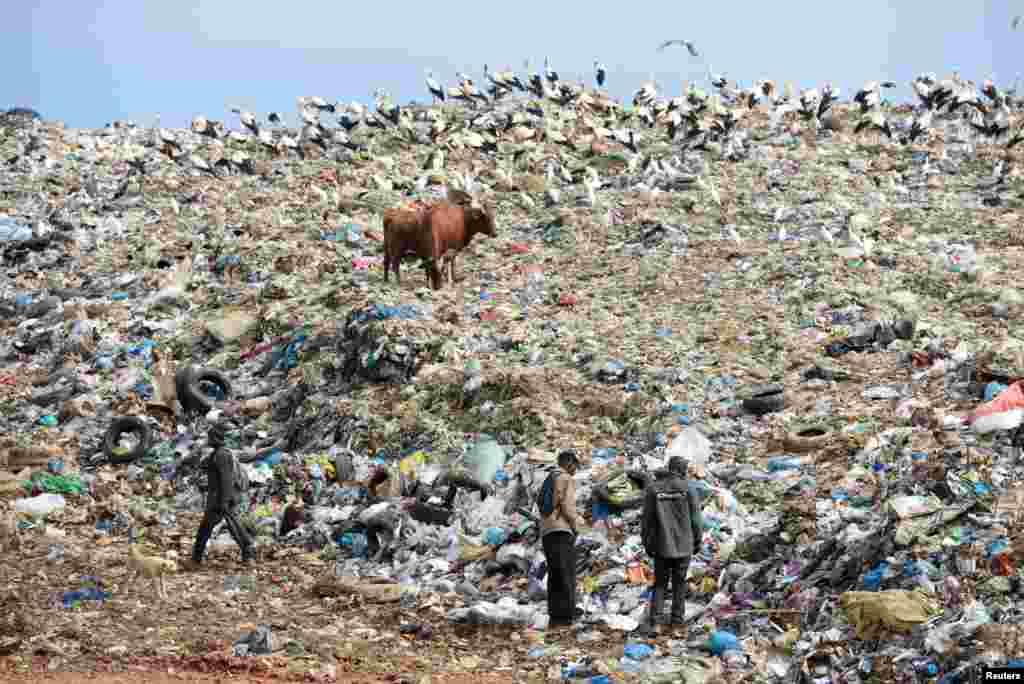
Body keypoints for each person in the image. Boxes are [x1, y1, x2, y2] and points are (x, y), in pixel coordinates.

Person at [638, 456, 703, 636]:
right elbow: (696, 520)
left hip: (661, 545)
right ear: (681, 470)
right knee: (679, 585)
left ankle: (656, 624)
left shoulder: (653, 489)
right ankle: (676, 625)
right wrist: (697, 541)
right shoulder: (688, 488)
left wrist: (647, 543)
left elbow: (647, 521)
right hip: (684, 544)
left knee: (660, 584)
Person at [187, 420, 255, 566]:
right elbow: (205, 466)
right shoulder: (217, 454)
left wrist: (224, 501)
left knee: (220, 526)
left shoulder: (222, 455)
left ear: (215, 439)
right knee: (227, 525)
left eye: (210, 438)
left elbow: (226, 479)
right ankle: (247, 552)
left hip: (221, 498)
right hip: (219, 496)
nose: (208, 440)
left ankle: (196, 558)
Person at [540, 449, 584, 629]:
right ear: (569, 463)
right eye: (575, 466)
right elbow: (567, 507)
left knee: (555, 575)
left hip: (547, 532)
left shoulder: (549, 477)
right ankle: (566, 617)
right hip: (561, 531)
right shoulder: (565, 478)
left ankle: (555, 615)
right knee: (567, 574)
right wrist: (576, 527)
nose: (575, 470)